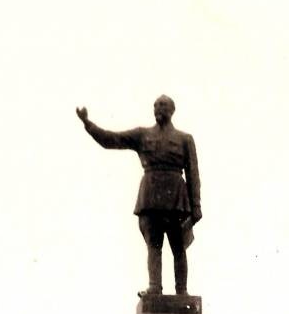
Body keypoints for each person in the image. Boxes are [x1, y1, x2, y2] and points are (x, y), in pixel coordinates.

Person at [76, 96, 201, 296]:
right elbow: (111, 139)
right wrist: (88, 124)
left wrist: (196, 206)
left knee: (179, 248)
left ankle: (182, 292)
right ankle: (154, 287)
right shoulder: (142, 135)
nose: (159, 108)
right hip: (150, 199)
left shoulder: (185, 139)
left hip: (177, 200)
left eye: (164, 105)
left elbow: (193, 173)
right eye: (156, 105)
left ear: (172, 110)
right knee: (154, 245)